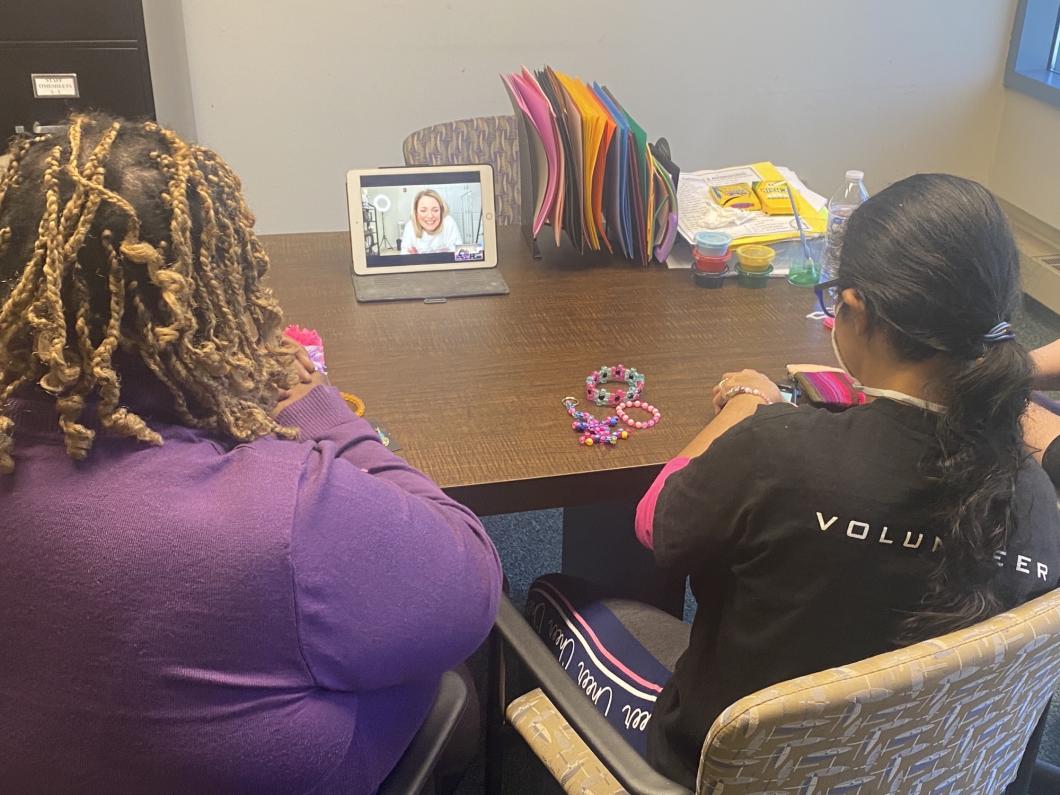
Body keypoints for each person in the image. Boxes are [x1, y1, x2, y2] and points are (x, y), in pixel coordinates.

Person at [0, 113, 502, 794]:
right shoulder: (282, 511)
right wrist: (316, 408)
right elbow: (470, 578)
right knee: (458, 675)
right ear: (218, 290)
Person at [527, 174, 1060, 788]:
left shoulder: (776, 450)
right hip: (929, 773)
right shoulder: (1037, 501)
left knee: (549, 595)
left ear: (854, 309)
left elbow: (656, 521)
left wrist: (745, 405)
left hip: (716, 768)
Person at [400, 189, 463, 253]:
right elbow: (404, 254)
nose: (430, 216)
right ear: (416, 213)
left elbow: (461, 253)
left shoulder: (448, 222)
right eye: (423, 211)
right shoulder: (410, 226)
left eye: (435, 210)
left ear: (441, 211)